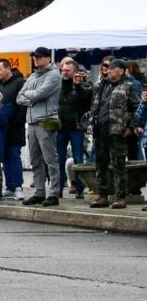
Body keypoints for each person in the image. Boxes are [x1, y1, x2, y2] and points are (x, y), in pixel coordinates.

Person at [88, 57, 140, 210]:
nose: (108, 70)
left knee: (119, 165)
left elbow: (138, 109)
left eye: (112, 68)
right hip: (100, 130)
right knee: (101, 165)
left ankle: (120, 197)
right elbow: (93, 105)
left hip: (118, 131)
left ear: (121, 71)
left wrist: (131, 128)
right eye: (107, 68)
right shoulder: (100, 85)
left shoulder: (129, 86)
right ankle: (102, 196)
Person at [15, 46, 61, 206]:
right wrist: (33, 99)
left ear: (48, 58)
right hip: (32, 121)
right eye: (35, 57)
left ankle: (54, 193)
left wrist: (31, 95)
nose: (35, 59)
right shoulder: (34, 75)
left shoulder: (53, 75)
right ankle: (40, 192)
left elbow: (40, 93)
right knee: (35, 160)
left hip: (46, 120)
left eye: (39, 57)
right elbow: (19, 97)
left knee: (50, 159)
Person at [56, 57, 92, 200]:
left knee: (78, 159)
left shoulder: (83, 84)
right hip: (60, 127)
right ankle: (58, 188)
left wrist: (78, 85)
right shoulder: (57, 84)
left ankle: (79, 188)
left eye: (68, 70)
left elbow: (87, 100)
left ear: (75, 71)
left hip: (76, 127)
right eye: (63, 70)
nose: (64, 73)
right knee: (59, 159)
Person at [0, 58, 26, 200]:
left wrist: (17, 122)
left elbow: (23, 106)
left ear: (8, 68)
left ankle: (18, 187)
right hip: (0, 130)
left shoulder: (20, 83)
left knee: (14, 156)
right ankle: (10, 186)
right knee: (4, 158)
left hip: (14, 129)